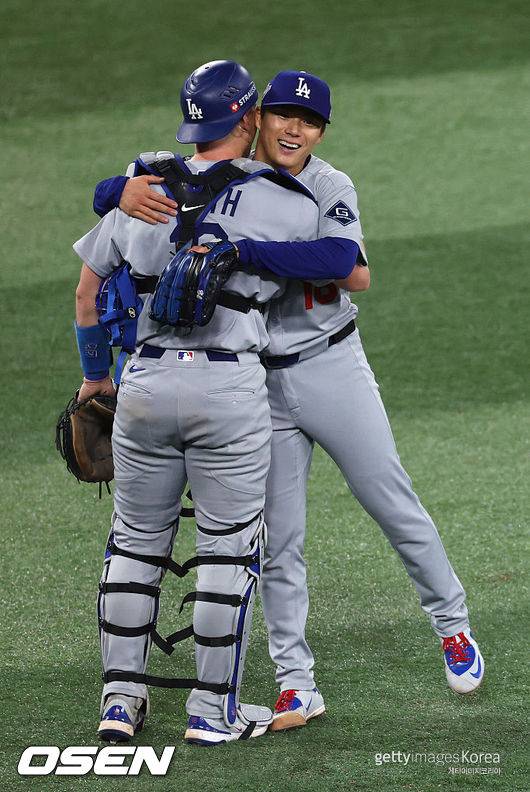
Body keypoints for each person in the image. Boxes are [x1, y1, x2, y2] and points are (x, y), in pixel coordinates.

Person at [93, 69, 484, 733]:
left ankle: (453, 625)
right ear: (258, 120)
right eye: (283, 115)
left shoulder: (327, 186)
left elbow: (351, 267)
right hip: (255, 385)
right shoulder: (232, 179)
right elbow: (130, 194)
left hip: (331, 366)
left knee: (389, 498)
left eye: (310, 121)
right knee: (277, 539)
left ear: (322, 132)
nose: (295, 129)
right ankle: (295, 684)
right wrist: (114, 190)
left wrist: (247, 251)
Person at [74, 60, 360, 746]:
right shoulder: (287, 202)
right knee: (227, 554)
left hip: (144, 385)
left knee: (134, 543)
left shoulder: (139, 191)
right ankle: (211, 712)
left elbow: (87, 296)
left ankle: (120, 704)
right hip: (228, 390)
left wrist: (95, 382)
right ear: (250, 118)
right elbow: (345, 265)